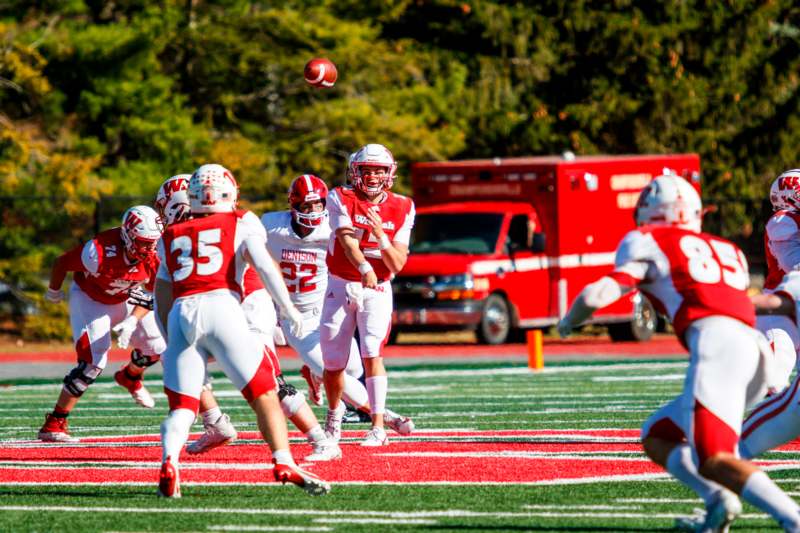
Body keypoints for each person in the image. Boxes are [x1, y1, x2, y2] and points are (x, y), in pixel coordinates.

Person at [557, 175, 800, 532]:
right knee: (658, 435)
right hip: (754, 349)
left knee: (715, 456)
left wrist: (569, 321)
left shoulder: (647, 239)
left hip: (721, 349)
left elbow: (598, 295)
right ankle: (719, 501)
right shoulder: (725, 249)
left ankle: (793, 520)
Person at [154, 163, 329, 497]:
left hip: (181, 312)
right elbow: (263, 265)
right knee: (265, 394)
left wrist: (167, 336)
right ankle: (283, 460)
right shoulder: (241, 220)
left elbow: (161, 294)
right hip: (223, 306)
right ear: (230, 192)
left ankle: (170, 459)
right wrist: (289, 310)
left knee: (183, 406)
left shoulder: (170, 235)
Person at [263, 174, 414, 451]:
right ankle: (387, 418)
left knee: (354, 368)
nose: (313, 212)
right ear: (292, 204)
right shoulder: (271, 227)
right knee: (335, 372)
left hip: (328, 304)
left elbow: (354, 248)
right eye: (306, 207)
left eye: (318, 205)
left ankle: (314, 372)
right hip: (295, 316)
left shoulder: (331, 227)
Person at [38, 205, 164, 442]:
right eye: (144, 242)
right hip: (91, 298)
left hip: (126, 296)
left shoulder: (155, 257)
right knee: (94, 361)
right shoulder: (98, 252)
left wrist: (132, 320)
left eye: (154, 241)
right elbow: (62, 262)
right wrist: (54, 291)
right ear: (127, 236)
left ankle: (130, 376)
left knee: (158, 344)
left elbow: (151, 295)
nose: (151, 248)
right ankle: (54, 423)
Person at [320, 144, 415, 447]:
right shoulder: (340, 197)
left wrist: (382, 237)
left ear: (390, 173)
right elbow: (346, 242)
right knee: (333, 361)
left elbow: (398, 263)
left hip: (377, 289)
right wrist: (364, 267)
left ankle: (377, 427)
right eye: (366, 170)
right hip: (341, 282)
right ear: (354, 171)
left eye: (378, 170)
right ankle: (334, 419)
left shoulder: (403, 205)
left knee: (372, 352)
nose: (372, 175)